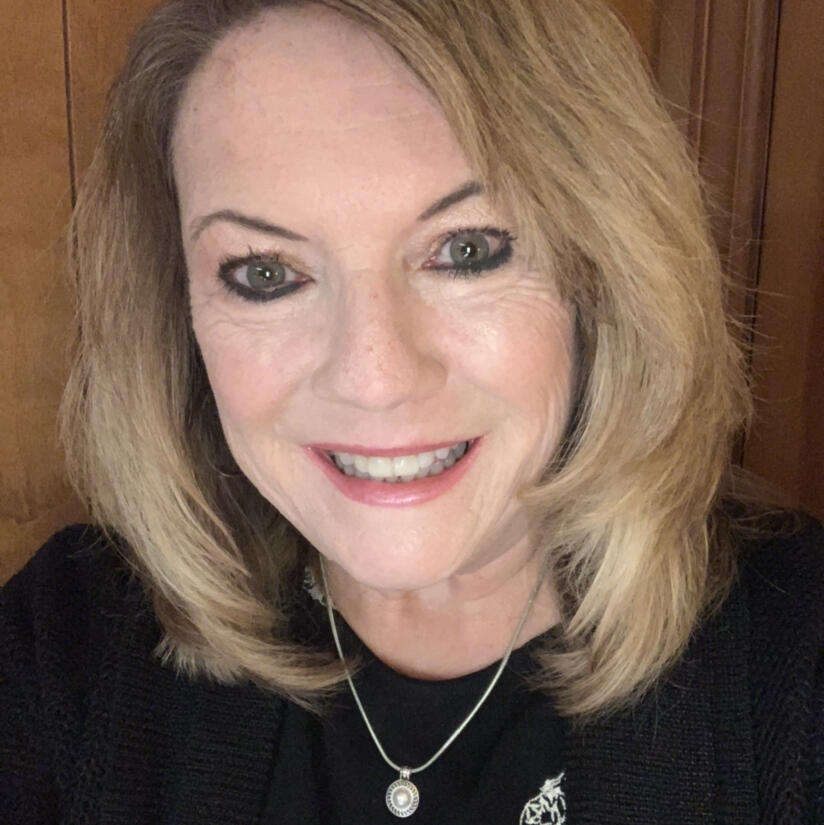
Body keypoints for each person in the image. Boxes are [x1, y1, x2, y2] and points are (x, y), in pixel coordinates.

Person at [2, 0, 822, 822]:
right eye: (265, 273)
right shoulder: (68, 646)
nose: (375, 378)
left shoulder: (796, 662)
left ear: (600, 273)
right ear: (176, 309)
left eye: (467, 250)